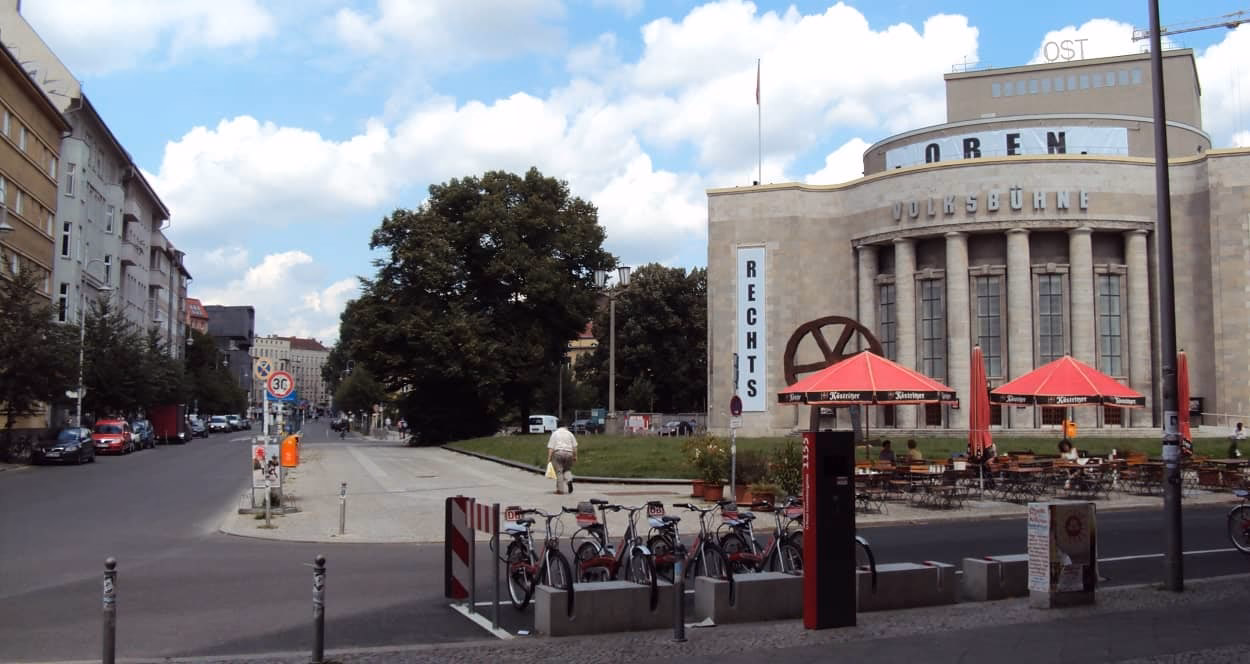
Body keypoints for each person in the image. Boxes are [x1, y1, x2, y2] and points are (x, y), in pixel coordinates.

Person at [547, 425, 578, 495]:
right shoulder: (570, 434)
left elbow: (551, 447)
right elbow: (575, 447)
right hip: (569, 453)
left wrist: (549, 458)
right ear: (566, 426)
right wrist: (575, 456)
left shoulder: (555, 433)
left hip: (558, 453)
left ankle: (560, 490)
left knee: (559, 471)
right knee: (567, 469)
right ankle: (569, 480)